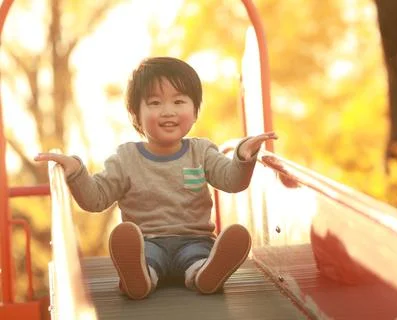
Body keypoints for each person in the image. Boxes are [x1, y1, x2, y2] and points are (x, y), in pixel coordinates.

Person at [34, 56, 278, 300]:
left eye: (179, 101)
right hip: (147, 242)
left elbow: (232, 181)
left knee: (198, 257)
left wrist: (244, 156)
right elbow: (95, 199)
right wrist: (76, 171)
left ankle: (205, 274)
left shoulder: (202, 152)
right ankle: (139, 279)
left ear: (194, 112)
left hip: (194, 239)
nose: (168, 111)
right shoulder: (125, 158)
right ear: (136, 115)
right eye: (155, 103)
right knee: (146, 259)